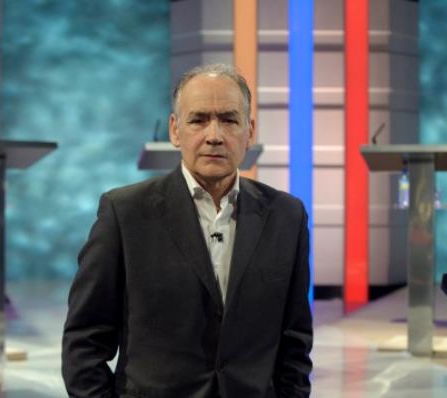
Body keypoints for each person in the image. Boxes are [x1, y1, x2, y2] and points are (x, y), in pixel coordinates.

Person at [62, 63, 313, 398]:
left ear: (249, 130)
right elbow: (84, 341)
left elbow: (295, 342)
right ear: (175, 130)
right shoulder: (124, 213)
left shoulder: (287, 215)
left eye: (228, 119)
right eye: (198, 120)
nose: (214, 135)